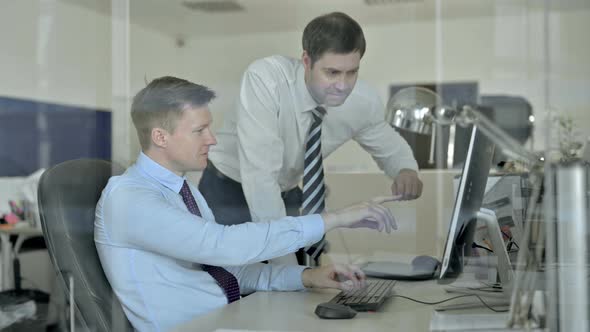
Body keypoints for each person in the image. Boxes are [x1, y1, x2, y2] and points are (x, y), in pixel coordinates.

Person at [94, 76, 399, 331]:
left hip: (226, 318)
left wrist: (307, 276)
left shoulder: (184, 190)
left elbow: (230, 270)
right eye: (199, 130)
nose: (212, 139)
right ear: (160, 136)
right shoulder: (128, 198)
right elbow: (224, 246)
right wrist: (333, 218)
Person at [199, 12, 423, 266]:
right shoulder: (266, 81)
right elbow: (260, 177)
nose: (342, 85)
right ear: (306, 60)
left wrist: (406, 170)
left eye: (352, 72)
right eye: (332, 72)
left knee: (304, 272)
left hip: (286, 189)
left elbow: (388, 144)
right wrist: (288, 269)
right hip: (229, 188)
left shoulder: (361, 101)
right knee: (235, 281)